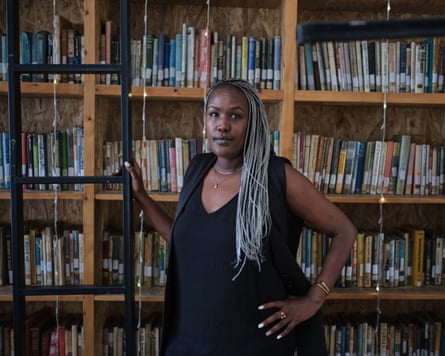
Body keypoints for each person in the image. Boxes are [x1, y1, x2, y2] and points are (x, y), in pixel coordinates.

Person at [124, 79, 357, 355]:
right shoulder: (197, 169)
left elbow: (345, 231)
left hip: (255, 342)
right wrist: (141, 196)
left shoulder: (276, 176)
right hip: (189, 340)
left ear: (253, 123)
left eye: (235, 116)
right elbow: (181, 238)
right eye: (214, 114)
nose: (223, 125)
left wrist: (314, 300)